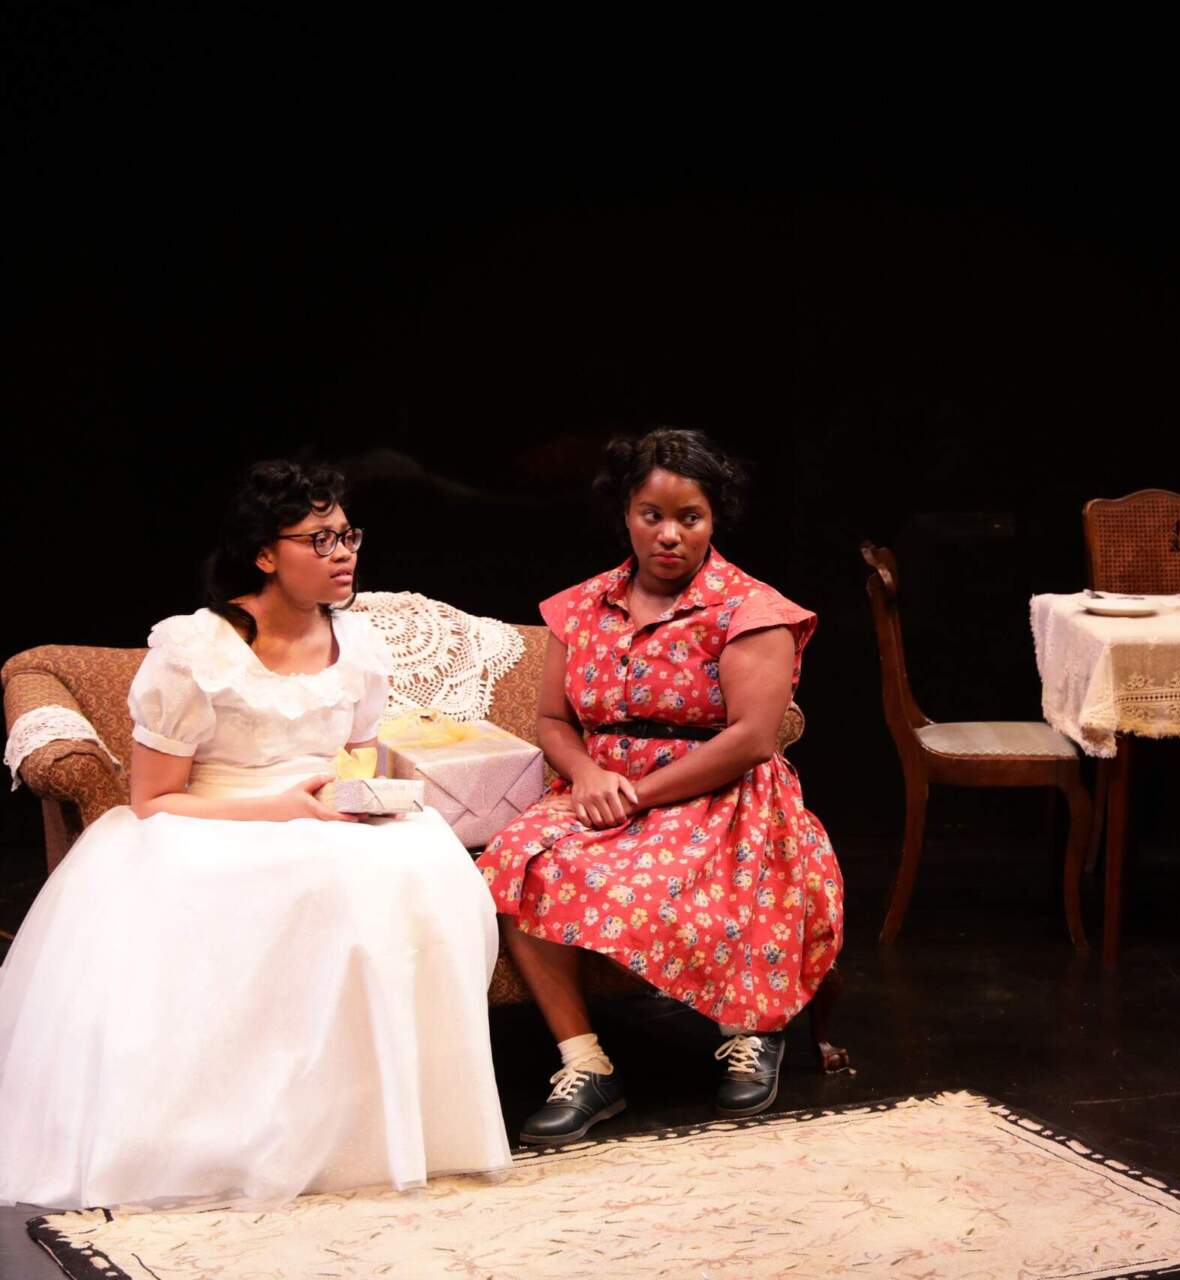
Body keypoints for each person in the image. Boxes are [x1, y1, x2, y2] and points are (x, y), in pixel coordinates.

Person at [0, 461, 511, 1210]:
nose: (344, 553)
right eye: (320, 539)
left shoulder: (358, 645)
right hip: (211, 823)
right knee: (309, 884)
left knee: (420, 868)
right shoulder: (195, 654)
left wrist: (362, 793)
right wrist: (283, 810)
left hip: (321, 812)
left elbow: (352, 750)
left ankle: (379, 1131)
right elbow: (153, 800)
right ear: (266, 554)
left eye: (348, 535)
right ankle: (244, 1140)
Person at [477, 429, 844, 1144]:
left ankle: (753, 1026)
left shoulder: (751, 610)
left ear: (715, 520)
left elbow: (751, 739)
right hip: (603, 788)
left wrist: (639, 796)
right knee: (516, 860)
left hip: (718, 790)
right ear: (624, 513)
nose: (670, 535)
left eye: (690, 518)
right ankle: (585, 1062)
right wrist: (587, 774)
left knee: (714, 869)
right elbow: (554, 719)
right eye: (652, 516)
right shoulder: (580, 607)